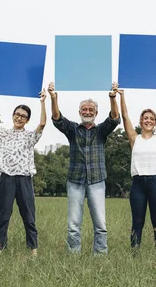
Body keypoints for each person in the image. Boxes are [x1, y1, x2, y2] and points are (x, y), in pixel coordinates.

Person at [48, 81, 120, 254]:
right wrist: (53, 98)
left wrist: (112, 97)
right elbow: (57, 119)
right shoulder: (73, 129)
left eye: (91, 110)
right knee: (73, 224)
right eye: (84, 110)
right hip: (75, 181)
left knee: (101, 224)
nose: (87, 112)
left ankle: (100, 256)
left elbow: (114, 119)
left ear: (95, 113)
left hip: (96, 181)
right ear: (80, 112)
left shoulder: (101, 131)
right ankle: (73, 256)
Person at [0, 87, 47, 256]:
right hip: (6, 179)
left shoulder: (30, 136)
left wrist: (42, 102)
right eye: (17, 114)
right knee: (3, 215)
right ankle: (0, 248)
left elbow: (42, 124)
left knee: (29, 216)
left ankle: (33, 249)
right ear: (13, 115)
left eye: (23, 116)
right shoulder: (3, 134)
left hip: (24, 179)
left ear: (27, 120)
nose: (19, 117)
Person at [116, 84, 156, 253]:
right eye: (145, 118)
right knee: (137, 221)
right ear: (141, 121)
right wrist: (121, 95)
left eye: (151, 118)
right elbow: (125, 117)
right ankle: (134, 253)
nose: (148, 120)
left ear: (155, 122)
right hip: (138, 185)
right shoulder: (134, 138)